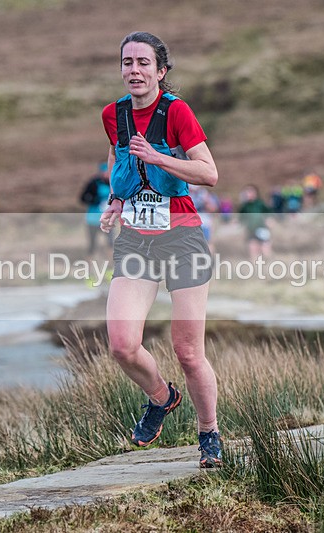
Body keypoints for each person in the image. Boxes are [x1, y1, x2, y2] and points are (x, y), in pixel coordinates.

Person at [98, 31, 222, 468]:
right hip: (135, 237)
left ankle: (209, 433)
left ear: (160, 71)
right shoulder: (113, 115)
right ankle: (162, 397)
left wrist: (159, 157)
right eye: (127, 62)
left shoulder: (177, 112)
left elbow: (209, 174)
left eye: (143, 63)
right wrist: (116, 200)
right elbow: (119, 158)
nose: (134, 70)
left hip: (182, 236)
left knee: (189, 353)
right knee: (122, 345)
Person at [80, 162, 113, 256]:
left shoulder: (114, 183)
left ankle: (111, 262)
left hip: (107, 220)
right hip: (93, 219)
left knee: (110, 242)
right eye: (105, 172)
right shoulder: (94, 183)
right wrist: (94, 200)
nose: (107, 174)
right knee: (92, 243)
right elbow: (83, 198)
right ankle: (90, 261)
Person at [238, 184, 272, 260]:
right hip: (251, 229)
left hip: (261, 228)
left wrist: (269, 220)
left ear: (255, 193)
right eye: (246, 192)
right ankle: (254, 266)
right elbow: (241, 217)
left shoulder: (260, 203)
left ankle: (268, 264)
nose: (248, 193)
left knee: (265, 247)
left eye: (250, 191)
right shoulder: (245, 206)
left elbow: (268, 212)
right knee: (252, 248)